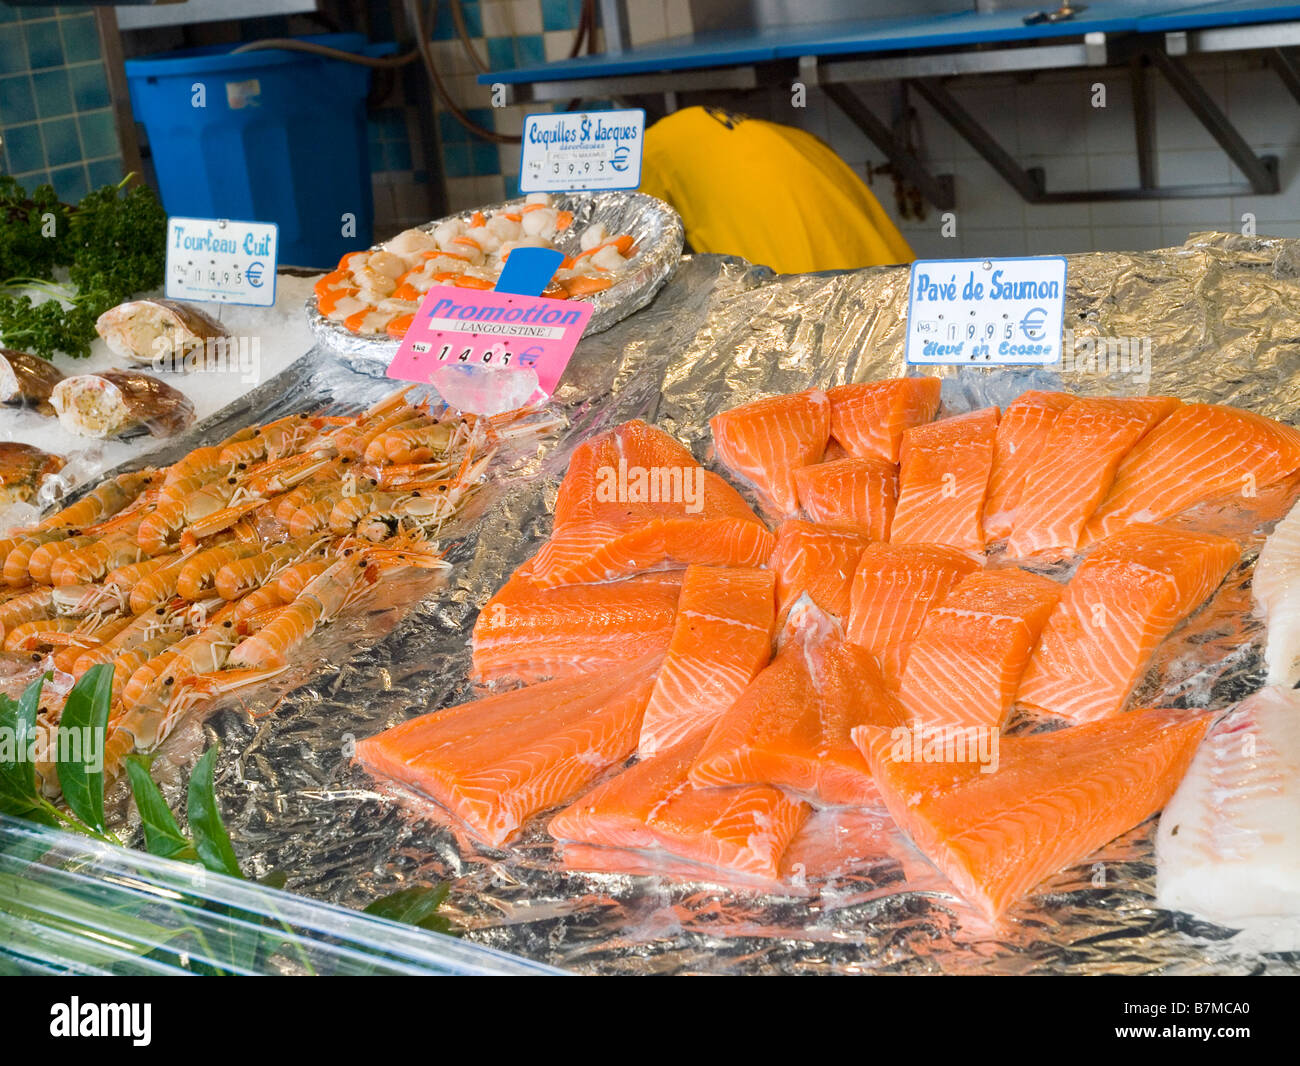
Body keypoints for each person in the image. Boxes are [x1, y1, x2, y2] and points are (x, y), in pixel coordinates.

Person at [638, 106, 915, 274]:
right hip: (892, 273)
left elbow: (617, 271)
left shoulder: (648, 155)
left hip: (807, 291)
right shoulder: (717, 133)